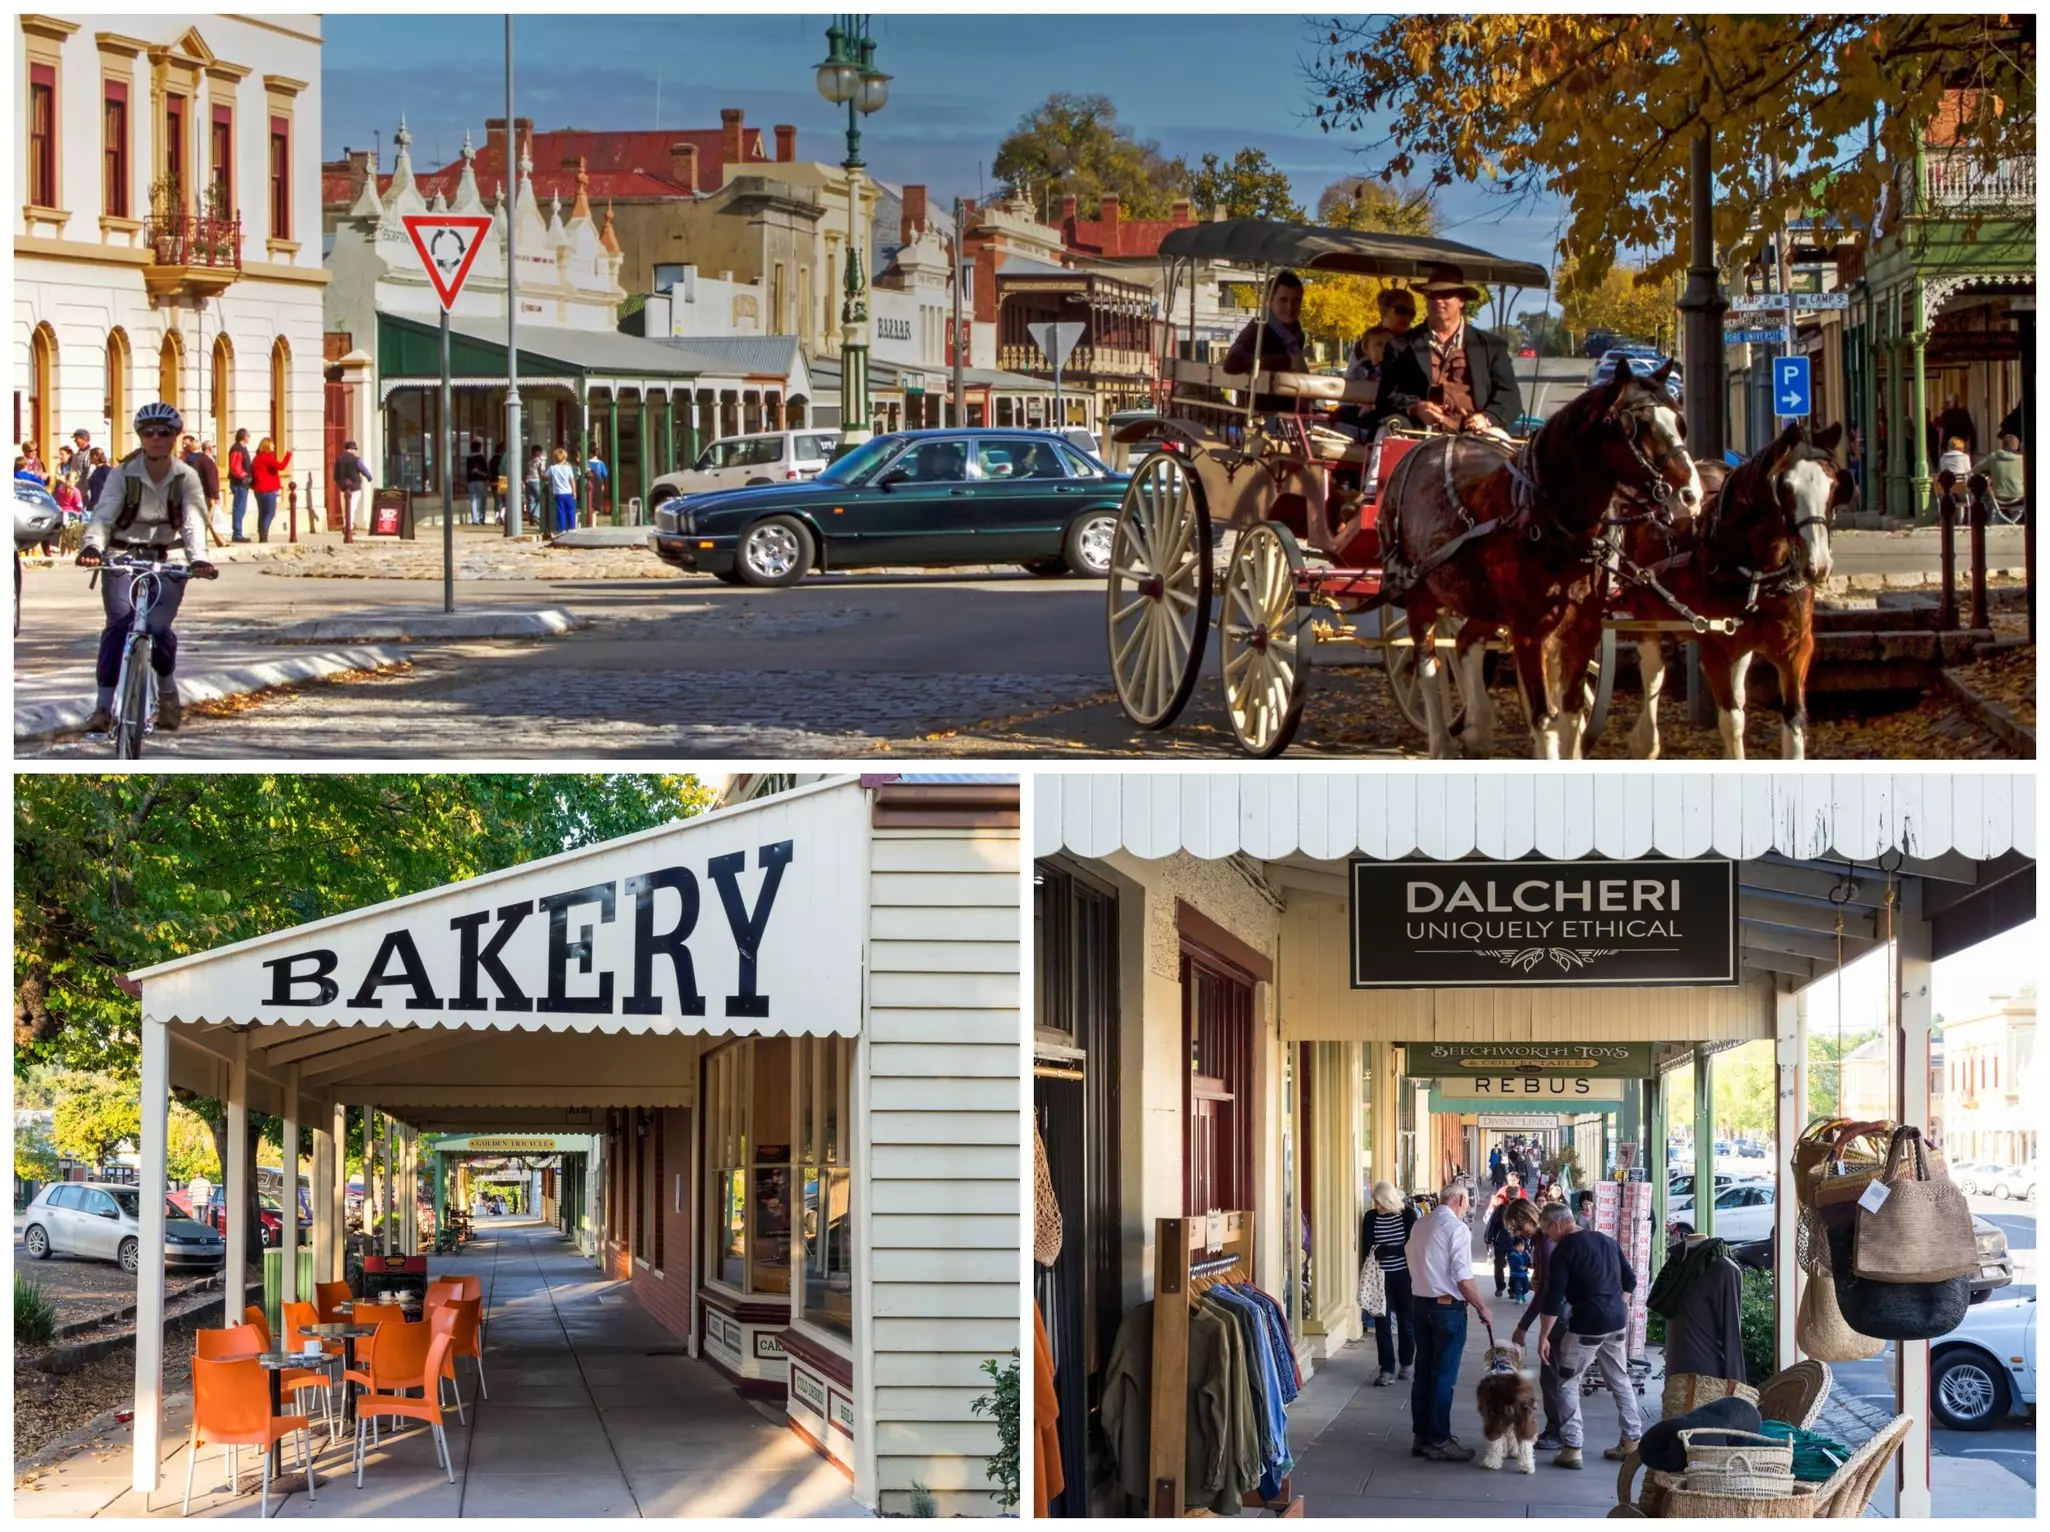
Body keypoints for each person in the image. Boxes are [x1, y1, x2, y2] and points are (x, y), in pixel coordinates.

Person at [75, 402, 219, 731]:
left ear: (175, 437)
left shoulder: (187, 477)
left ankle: (167, 693)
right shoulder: (122, 474)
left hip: (170, 558)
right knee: (119, 623)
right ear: (140, 436)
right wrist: (92, 546)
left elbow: (194, 521)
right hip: (122, 555)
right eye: (148, 432)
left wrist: (199, 558)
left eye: (164, 432)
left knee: (155, 627)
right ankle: (102, 708)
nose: (155, 438)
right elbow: (104, 513)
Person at [1535, 1201, 1643, 1469]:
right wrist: (1617, 1305)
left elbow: (1553, 1299)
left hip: (1586, 1325)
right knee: (1619, 1378)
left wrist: (1544, 1336)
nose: (1547, 1236)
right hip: (1617, 1321)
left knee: (1567, 1382)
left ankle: (1572, 1447)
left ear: (1557, 1224)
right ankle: (1632, 1440)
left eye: (1547, 1230)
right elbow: (1630, 1280)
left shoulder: (1563, 1252)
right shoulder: (1605, 1241)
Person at [1375, 263, 1523, 436]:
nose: (1438, 301)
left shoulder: (1491, 347)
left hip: (1475, 434)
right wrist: (1417, 408)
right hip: (1415, 430)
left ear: (1462, 300)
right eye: (1432, 294)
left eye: (1446, 294)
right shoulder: (1400, 345)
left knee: (1499, 440)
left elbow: (1509, 398)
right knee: (1386, 434)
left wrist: (1487, 417)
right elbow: (1386, 396)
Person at [1404, 1179, 1488, 1462]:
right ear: (1460, 1201)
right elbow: (1463, 1277)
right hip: (1446, 1309)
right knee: (1443, 1377)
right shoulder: (1456, 1229)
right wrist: (1481, 1306)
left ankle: (1423, 1435)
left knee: (1424, 1373)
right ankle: (1439, 1439)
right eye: (1466, 1205)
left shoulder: (1420, 1224)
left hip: (1420, 1304)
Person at [1361, 1180, 1419, 1387]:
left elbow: (1413, 1245)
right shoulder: (1370, 1218)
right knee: (1381, 1323)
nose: (1377, 1207)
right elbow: (1368, 1249)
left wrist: (1388, 1249)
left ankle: (1406, 1363)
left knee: (1406, 1321)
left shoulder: (1408, 1215)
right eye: (1375, 1203)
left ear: (1390, 1201)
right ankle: (1386, 1369)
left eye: (1381, 1203)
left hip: (1405, 1275)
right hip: (1380, 1277)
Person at [1224, 270, 1309, 381]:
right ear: (1270, 302)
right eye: (1283, 300)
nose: (1290, 307)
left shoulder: (1296, 335)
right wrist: (1288, 361)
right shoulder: (1258, 328)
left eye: (1296, 301)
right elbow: (1232, 362)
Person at [1972, 433, 2025, 520]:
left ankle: (1988, 520)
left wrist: (1990, 471)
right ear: (2017, 447)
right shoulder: (2022, 460)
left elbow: (1975, 470)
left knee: (1984, 493)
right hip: (2019, 497)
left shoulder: (1993, 457)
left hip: (1998, 497)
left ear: (2003, 445)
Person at [251, 436, 291, 542]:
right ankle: (264, 535)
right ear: (267, 446)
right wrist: (288, 454)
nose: (274, 446)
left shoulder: (257, 458)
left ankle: (261, 535)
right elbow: (281, 466)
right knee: (270, 513)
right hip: (268, 490)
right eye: (272, 444)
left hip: (258, 490)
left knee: (262, 513)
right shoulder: (267, 458)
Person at [332, 439, 371, 531]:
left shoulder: (339, 459)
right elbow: (363, 470)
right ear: (353, 449)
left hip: (343, 487)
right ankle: (348, 527)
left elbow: (335, 474)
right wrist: (369, 477)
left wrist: (338, 482)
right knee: (352, 507)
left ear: (345, 449)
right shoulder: (356, 460)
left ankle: (346, 524)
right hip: (355, 486)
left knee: (344, 506)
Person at [187, 439, 221, 537]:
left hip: (198, 492)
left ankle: (203, 538)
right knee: (206, 518)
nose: (214, 448)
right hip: (206, 493)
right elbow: (211, 480)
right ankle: (203, 538)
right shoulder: (207, 461)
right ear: (210, 449)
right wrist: (215, 496)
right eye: (214, 447)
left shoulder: (199, 460)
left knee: (203, 518)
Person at [226, 428, 255, 541]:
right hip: (239, 483)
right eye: (248, 435)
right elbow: (235, 467)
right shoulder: (237, 449)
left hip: (243, 483)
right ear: (244, 437)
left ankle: (238, 533)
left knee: (241, 508)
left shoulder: (243, 449)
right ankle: (237, 534)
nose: (249, 437)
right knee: (239, 508)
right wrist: (245, 476)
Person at [546, 447, 579, 534]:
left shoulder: (552, 468)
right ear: (565, 458)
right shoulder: (568, 468)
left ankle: (561, 529)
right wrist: (574, 491)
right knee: (571, 510)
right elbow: (572, 480)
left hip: (558, 493)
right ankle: (572, 527)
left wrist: (541, 472)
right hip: (568, 492)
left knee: (561, 511)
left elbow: (545, 476)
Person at [465, 440, 490, 525]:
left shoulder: (468, 458)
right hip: (480, 480)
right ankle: (482, 518)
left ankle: (474, 519)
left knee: (473, 499)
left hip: (471, 480)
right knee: (483, 499)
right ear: (479, 448)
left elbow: (468, 471)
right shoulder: (481, 457)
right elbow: (485, 470)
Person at [1507, 1233, 1533, 1303]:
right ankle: (1519, 1297)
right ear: (1514, 1247)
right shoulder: (1512, 1255)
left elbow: (1528, 1261)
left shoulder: (1525, 1254)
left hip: (1524, 1274)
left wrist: (1529, 1265)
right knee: (1517, 1287)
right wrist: (1520, 1267)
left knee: (1526, 1287)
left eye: (1522, 1246)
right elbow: (1513, 1264)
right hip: (1516, 1274)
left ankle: (1522, 1294)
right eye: (1518, 1246)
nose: (1520, 1248)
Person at [586, 448, 610, 519]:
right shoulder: (600, 463)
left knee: (589, 499)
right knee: (598, 499)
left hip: (588, 483)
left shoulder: (587, 462)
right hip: (599, 483)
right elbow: (605, 474)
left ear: (590, 453)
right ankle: (598, 515)